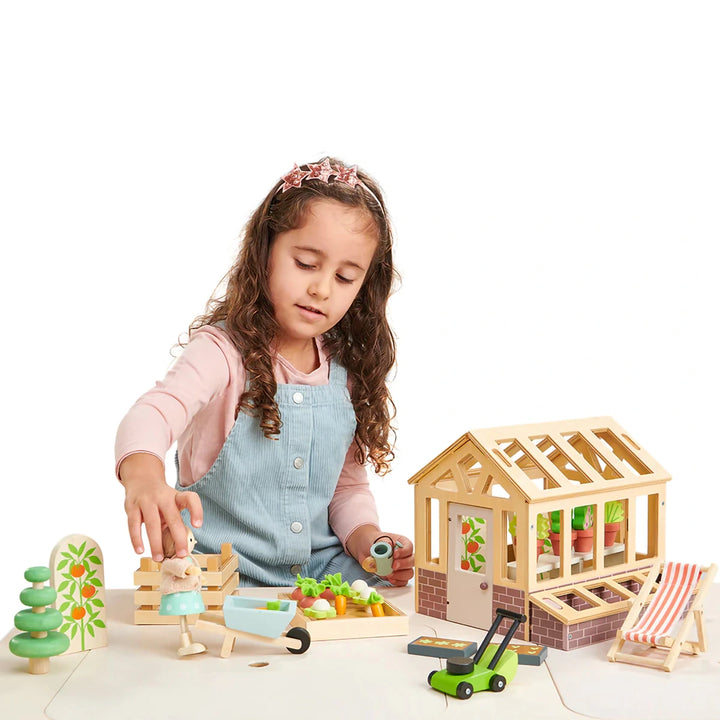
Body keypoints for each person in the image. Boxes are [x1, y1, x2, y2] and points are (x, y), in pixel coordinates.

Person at [116, 157, 414, 588]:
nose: (322, 288)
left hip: (320, 571)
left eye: (346, 277)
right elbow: (153, 413)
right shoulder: (222, 354)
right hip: (223, 572)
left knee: (403, 601)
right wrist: (143, 475)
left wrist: (368, 541)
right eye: (306, 264)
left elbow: (346, 489)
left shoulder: (344, 371)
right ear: (265, 252)